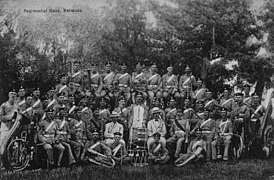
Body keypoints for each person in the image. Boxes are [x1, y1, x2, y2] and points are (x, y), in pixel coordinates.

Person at [0, 88, 20, 155]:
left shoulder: (17, 107)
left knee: (12, 148)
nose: (13, 95)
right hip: (5, 128)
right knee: (2, 146)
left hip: (13, 129)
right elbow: (1, 117)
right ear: (8, 95)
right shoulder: (4, 105)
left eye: (15, 94)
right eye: (11, 94)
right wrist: (11, 117)